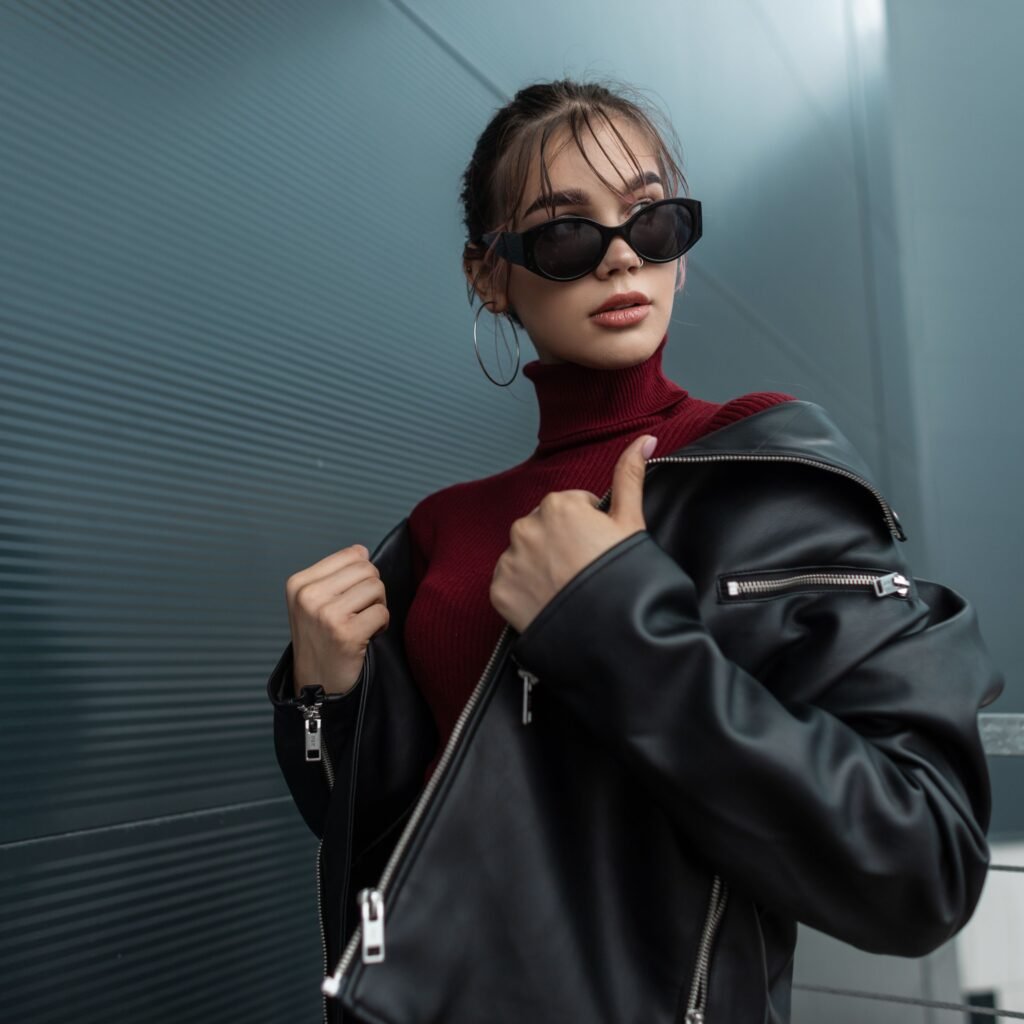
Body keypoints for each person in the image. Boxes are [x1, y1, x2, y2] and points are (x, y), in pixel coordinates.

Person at [267, 79, 1005, 1024]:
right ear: (489, 274)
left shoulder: (756, 478)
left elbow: (918, 867)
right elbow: (394, 848)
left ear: (682, 258)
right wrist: (328, 700)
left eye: (651, 221)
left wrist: (611, 619)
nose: (622, 257)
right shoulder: (439, 530)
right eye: (567, 234)